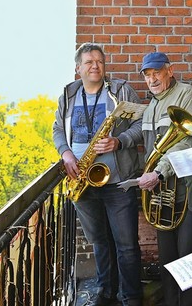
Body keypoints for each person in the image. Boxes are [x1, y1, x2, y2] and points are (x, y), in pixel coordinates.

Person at [53, 43, 144, 306]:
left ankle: (131, 297)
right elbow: (58, 129)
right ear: (77, 68)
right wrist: (66, 153)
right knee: (100, 242)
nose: (95, 66)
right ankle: (106, 291)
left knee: (126, 245)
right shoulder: (67, 97)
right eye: (89, 62)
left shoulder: (120, 91)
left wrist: (120, 140)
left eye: (100, 62)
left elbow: (142, 123)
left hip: (117, 182)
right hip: (82, 181)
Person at [136, 52, 192, 306]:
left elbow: (188, 141)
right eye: (148, 75)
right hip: (160, 191)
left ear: (170, 71)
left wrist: (159, 171)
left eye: (157, 73)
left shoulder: (187, 94)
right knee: (167, 256)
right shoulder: (151, 106)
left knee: (189, 253)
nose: (152, 79)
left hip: (184, 187)